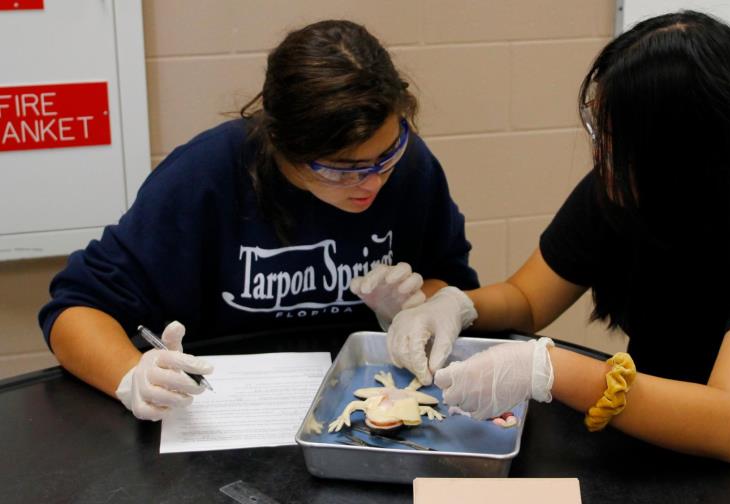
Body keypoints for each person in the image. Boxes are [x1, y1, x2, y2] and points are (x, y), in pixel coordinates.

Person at [377, 11, 730, 504]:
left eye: (614, 138)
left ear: (681, 155)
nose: (599, 153)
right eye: (596, 127)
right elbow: (527, 298)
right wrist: (453, 305)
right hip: (644, 427)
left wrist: (550, 370)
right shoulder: (623, 186)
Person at [37, 20, 478, 422]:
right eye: (342, 168)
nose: (372, 182)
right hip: (224, 420)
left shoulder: (412, 169)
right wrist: (132, 375)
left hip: (368, 414)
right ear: (279, 141)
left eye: (387, 156)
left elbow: (453, 282)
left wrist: (415, 309)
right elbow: (74, 309)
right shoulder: (203, 177)